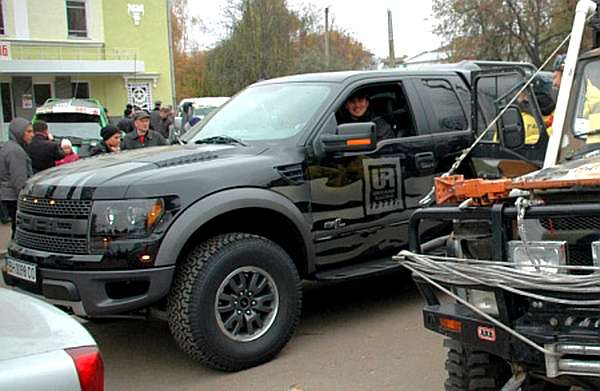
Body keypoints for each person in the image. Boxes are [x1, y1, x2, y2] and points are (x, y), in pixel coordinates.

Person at [0, 118, 33, 237]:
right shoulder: (16, 151)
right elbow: (19, 180)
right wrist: (25, 198)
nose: (31, 135)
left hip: (7, 195)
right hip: (14, 197)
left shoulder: (8, 146)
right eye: (28, 132)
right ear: (19, 132)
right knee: (19, 229)